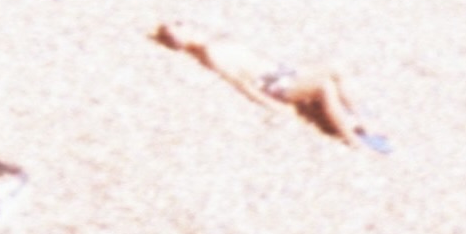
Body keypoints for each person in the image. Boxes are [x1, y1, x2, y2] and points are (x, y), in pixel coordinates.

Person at [151, 22, 380, 147]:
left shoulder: (216, 41)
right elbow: (240, 81)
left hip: (282, 72)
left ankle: (359, 116)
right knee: (324, 85)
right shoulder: (211, 53)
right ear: (179, 43)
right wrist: (271, 105)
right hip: (274, 84)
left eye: (179, 24)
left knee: (335, 67)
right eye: (177, 31)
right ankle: (351, 139)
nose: (184, 27)